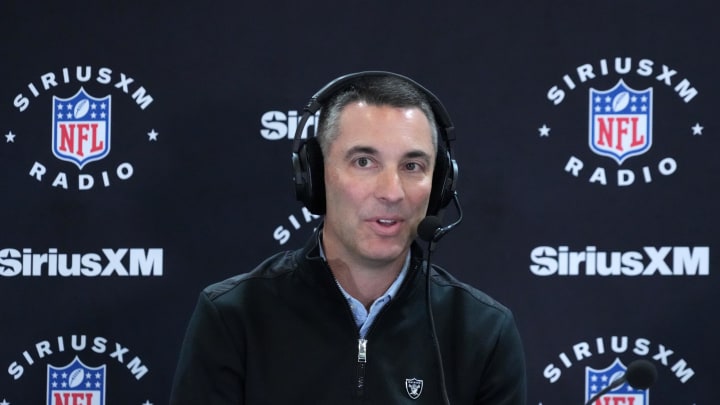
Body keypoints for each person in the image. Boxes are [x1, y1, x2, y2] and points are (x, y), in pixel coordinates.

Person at [169, 72, 527, 404]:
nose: (392, 191)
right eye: (364, 162)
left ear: (441, 185)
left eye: (412, 166)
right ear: (314, 175)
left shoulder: (484, 332)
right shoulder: (233, 318)